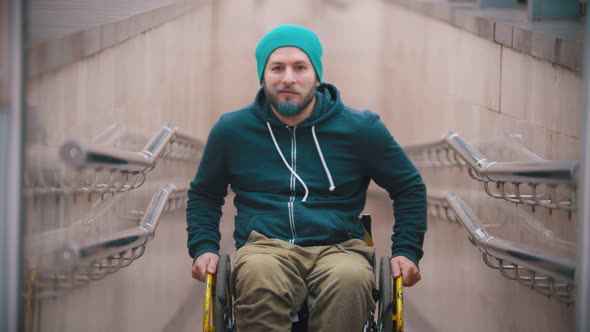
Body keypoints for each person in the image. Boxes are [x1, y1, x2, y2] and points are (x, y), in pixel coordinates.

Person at [186, 24, 427, 331]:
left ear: (317, 75)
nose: (288, 78)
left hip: (340, 248)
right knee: (259, 277)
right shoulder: (233, 130)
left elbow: (408, 187)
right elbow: (205, 193)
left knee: (351, 280)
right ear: (262, 75)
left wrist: (407, 251)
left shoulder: (360, 128)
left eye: (300, 67)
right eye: (277, 68)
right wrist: (204, 246)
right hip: (264, 246)